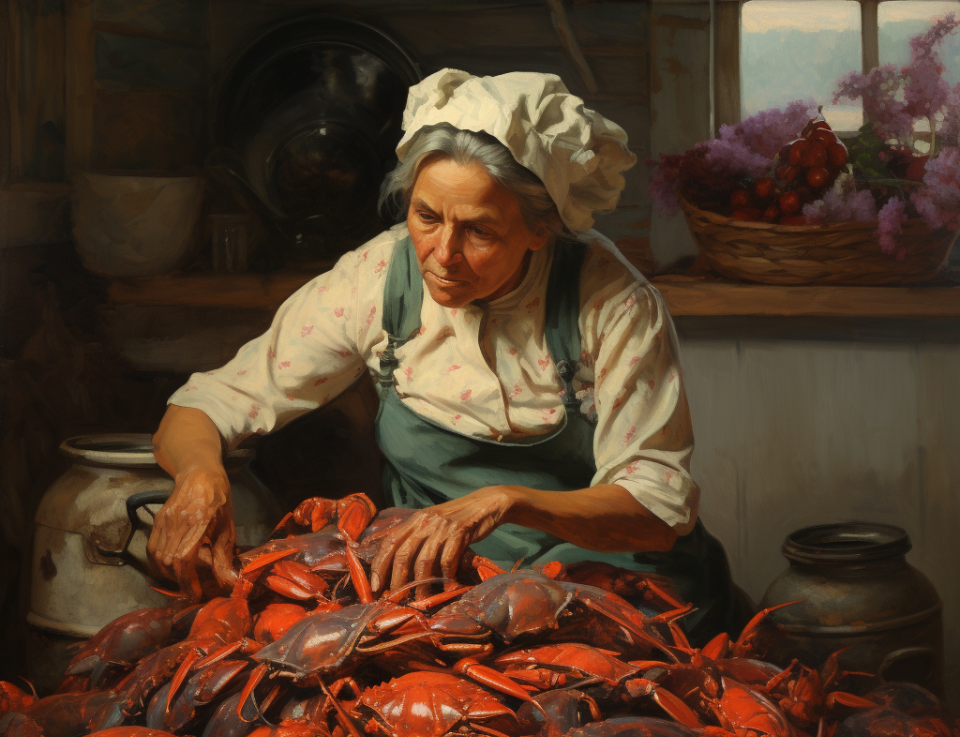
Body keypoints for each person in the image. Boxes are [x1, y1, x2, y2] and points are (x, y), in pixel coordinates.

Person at [149, 69, 741, 643]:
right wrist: (201, 474)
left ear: (542, 229)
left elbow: (656, 509)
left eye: (479, 232)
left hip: (617, 591)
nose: (442, 255)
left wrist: (509, 502)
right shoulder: (377, 279)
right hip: (447, 595)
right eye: (426, 217)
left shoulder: (612, 304)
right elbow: (206, 405)